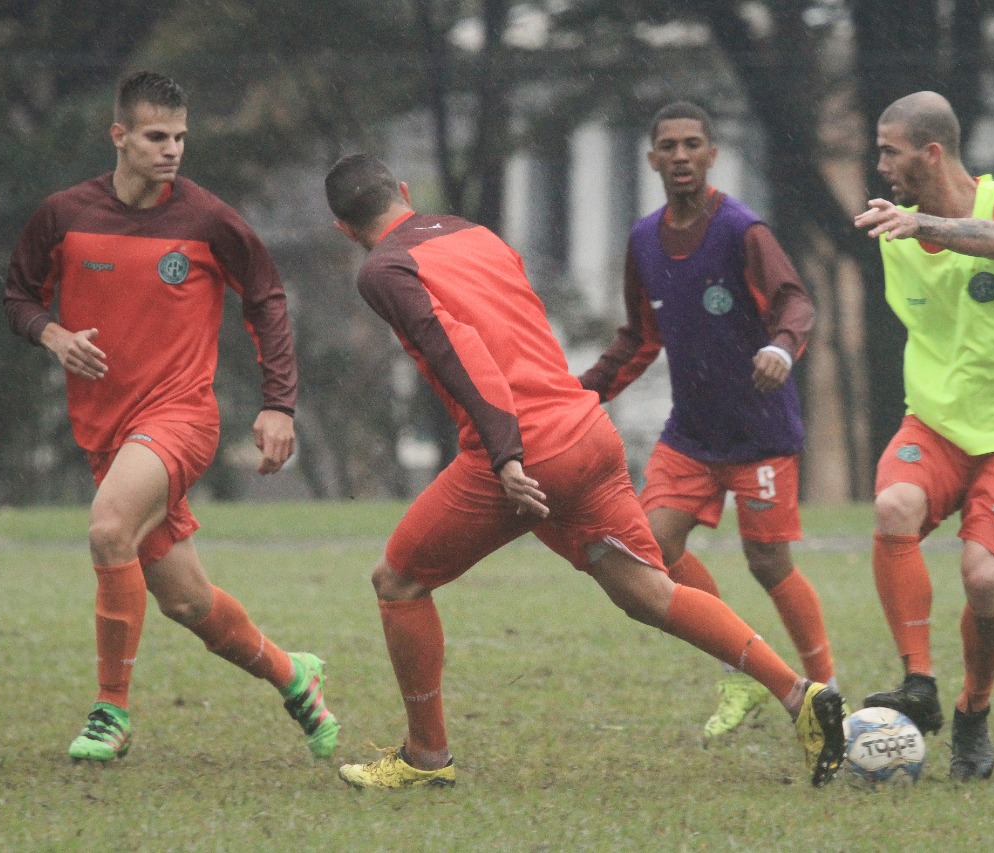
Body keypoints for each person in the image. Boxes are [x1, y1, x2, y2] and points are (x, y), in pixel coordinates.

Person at [323, 152, 847, 791]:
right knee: (649, 593)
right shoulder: (473, 232)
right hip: (585, 431)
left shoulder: (383, 268)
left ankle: (426, 757)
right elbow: (521, 320)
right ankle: (798, 695)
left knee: (398, 581)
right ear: (403, 191)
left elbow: (451, 345)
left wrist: (505, 451)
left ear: (344, 230)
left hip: (524, 451)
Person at [3, 71, 338, 763]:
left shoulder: (208, 219)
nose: (172, 150)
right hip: (107, 431)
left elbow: (268, 298)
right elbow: (18, 295)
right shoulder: (64, 215)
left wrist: (279, 403)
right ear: (118, 135)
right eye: (157, 136)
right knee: (188, 604)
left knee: (106, 525)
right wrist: (53, 335)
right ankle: (292, 673)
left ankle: (110, 711)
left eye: (180, 137)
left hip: (181, 417)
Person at [580, 101, 841, 744]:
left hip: (760, 433)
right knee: (651, 552)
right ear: (651, 160)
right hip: (690, 436)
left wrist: (781, 347)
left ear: (712, 154)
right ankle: (743, 669)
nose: (679, 156)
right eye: (667, 146)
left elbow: (795, 300)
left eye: (692, 144)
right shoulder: (643, 240)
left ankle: (827, 690)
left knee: (768, 563)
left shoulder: (742, 230)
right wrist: (575, 396)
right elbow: (640, 338)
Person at [853, 91, 994, 780]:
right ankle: (919, 683)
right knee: (893, 508)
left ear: (931, 152)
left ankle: (974, 710)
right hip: (938, 423)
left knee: (981, 577)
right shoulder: (895, 228)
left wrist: (925, 226)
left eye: (890, 150)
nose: (880, 163)